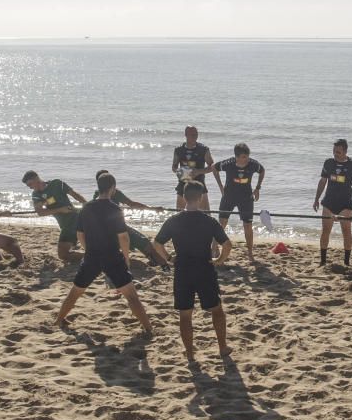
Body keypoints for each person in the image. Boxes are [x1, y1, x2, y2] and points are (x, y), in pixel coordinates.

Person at [55, 173, 152, 334]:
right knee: (131, 296)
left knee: (75, 291)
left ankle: (59, 320)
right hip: (112, 256)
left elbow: (80, 234)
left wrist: (88, 250)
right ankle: (148, 328)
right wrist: (126, 258)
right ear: (113, 188)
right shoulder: (114, 208)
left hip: (92, 256)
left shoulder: (86, 208)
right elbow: (124, 237)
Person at [154, 181, 233, 362]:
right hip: (204, 269)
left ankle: (190, 354)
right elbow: (227, 245)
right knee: (216, 310)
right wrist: (219, 260)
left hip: (182, 269)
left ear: (183, 198)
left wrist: (169, 258)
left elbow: (157, 244)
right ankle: (222, 347)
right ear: (201, 198)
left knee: (185, 314)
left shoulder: (173, 221)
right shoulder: (209, 221)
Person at [194, 143, 265, 263]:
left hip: (246, 198)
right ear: (236, 157)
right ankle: (214, 249)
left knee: (247, 225)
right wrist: (221, 186)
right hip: (229, 196)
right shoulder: (229, 163)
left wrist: (258, 188)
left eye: (247, 156)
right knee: (221, 223)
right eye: (243, 157)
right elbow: (214, 168)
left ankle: (250, 254)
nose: (246, 159)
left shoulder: (253, 164)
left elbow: (262, 171)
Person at [91, 170, 169, 269]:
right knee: (144, 242)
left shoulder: (100, 197)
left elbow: (131, 204)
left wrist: (152, 209)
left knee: (143, 242)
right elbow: (131, 204)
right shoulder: (107, 195)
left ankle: (155, 261)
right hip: (116, 229)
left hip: (108, 230)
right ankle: (164, 265)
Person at [313, 139, 352, 266]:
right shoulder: (328, 163)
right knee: (325, 231)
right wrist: (316, 199)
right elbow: (323, 181)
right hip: (329, 203)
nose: (335, 154)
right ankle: (323, 261)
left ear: (345, 151)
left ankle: (346, 262)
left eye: (338, 152)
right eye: (334, 151)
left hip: (345, 204)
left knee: (346, 232)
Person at [22, 170, 87, 262]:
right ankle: (92, 255)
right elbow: (40, 212)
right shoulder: (36, 194)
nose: (30, 188)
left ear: (36, 179)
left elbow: (74, 195)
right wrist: (60, 209)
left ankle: (93, 257)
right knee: (69, 248)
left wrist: (86, 204)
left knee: (63, 255)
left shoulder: (57, 183)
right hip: (64, 225)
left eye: (30, 185)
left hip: (72, 220)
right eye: (28, 186)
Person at [172, 125, 214, 212]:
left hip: (199, 185)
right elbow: (174, 167)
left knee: (205, 215)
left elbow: (212, 166)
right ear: (186, 135)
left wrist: (199, 171)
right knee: (180, 214)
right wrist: (181, 172)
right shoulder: (178, 150)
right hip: (183, 185)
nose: (195, 136)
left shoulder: (203, 149)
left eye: (196, 134)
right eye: (192, 134)